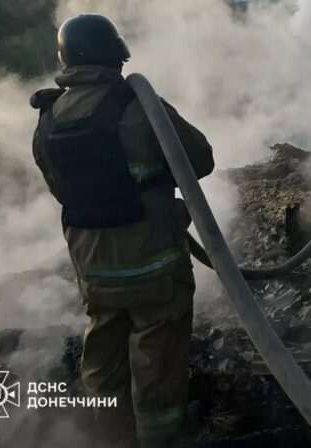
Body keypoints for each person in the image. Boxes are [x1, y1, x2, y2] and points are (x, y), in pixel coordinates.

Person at [30, 14, 214, 448]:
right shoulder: (140, 106)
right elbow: (200, 160)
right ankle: (160, 436)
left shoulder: (48, 118)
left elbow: (61, 191)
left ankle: (109, 437)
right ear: (116, 57)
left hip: (94, 270)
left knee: (103, 358)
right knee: (157, 361)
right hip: (154, 265)